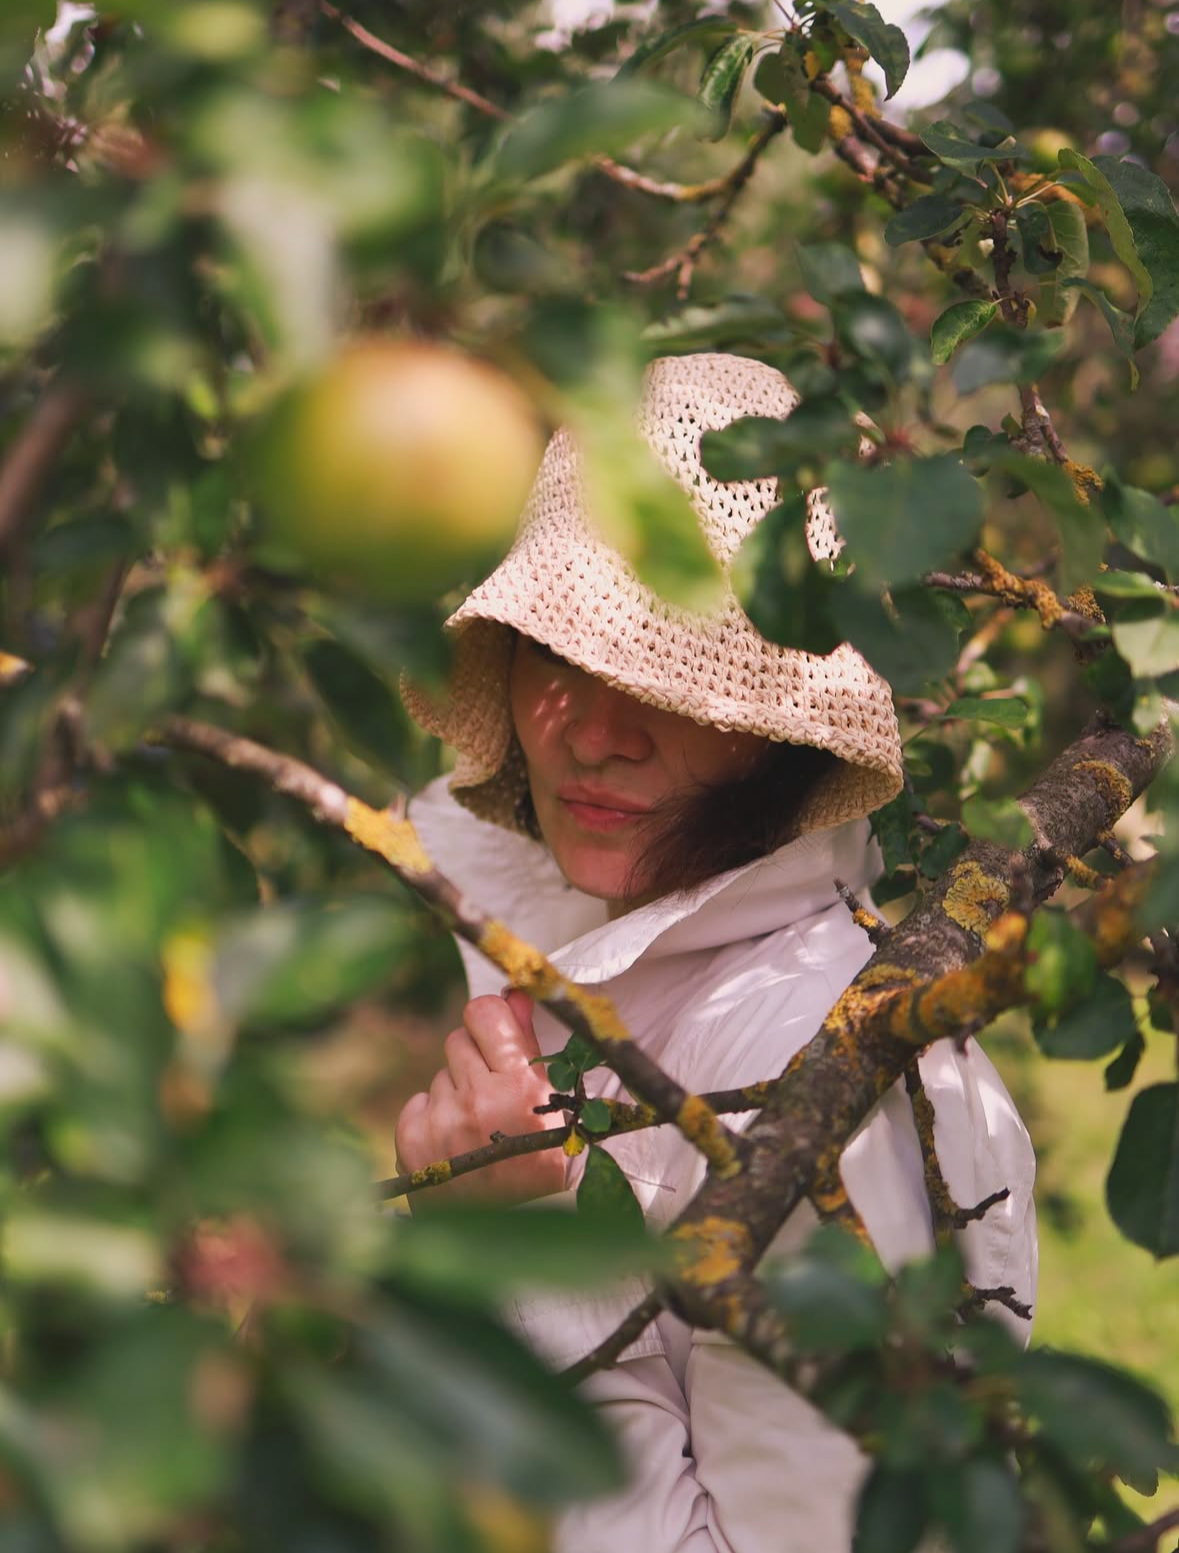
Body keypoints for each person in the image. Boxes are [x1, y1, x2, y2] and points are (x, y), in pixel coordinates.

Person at [395, 352, 1038, 1552]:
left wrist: (530, 1252)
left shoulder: (807, 1067)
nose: (592, 731)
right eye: (560, 651)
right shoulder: (583, 948)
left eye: (669, 672)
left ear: (780, 726)